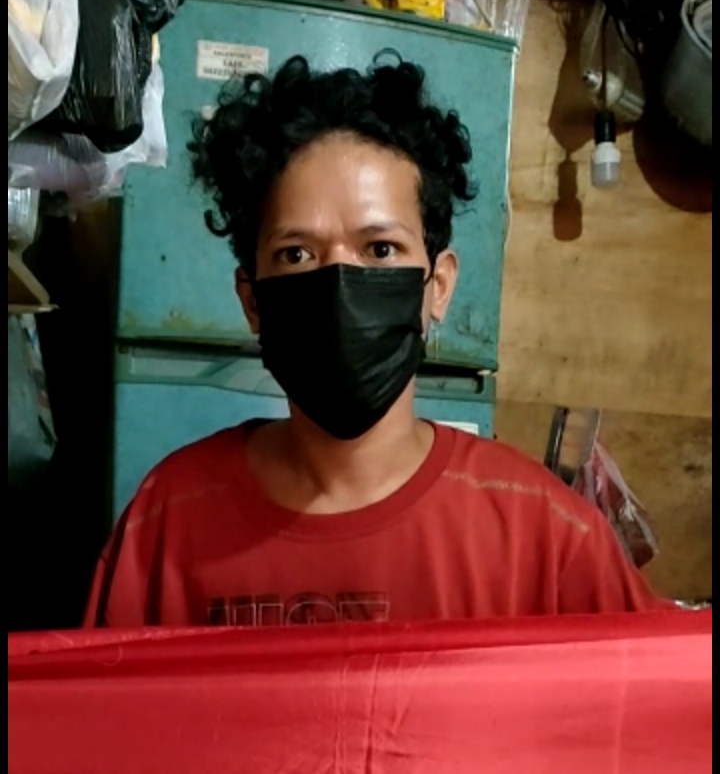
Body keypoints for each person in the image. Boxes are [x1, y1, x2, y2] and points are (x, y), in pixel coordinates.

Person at [85, 54, 670, 628]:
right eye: (297, 253)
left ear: (438, 286)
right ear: (252, 300)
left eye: (380, 249)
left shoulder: (546, 538)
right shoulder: (168, 524)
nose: (340, 284)